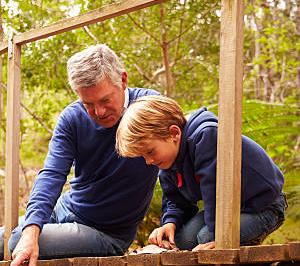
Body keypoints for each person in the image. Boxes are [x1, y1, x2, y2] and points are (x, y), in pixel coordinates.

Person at [0, 44, 160, 266]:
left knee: (11, 245)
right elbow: (51, 174)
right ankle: (31, 233)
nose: (99, 112)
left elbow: (175, 160)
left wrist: (173, 220)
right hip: (64, 208)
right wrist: (32, 231)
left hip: (104, 233)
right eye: (88, 104)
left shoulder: (149, 107)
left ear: (122, 80)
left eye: (105, 100)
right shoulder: (72, 117)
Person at [115, 95, 286, 251]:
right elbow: (176, 199)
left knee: (206, 238)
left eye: (150, 152)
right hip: (226, 209)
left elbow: (218, 192)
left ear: (174, 133)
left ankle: (245, 246)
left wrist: (218, 239)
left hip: (264, 205)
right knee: (181, 241)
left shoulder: (206, 137)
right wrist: (170, 222)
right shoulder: (168, 159)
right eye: (143, 156)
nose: (148, 161)